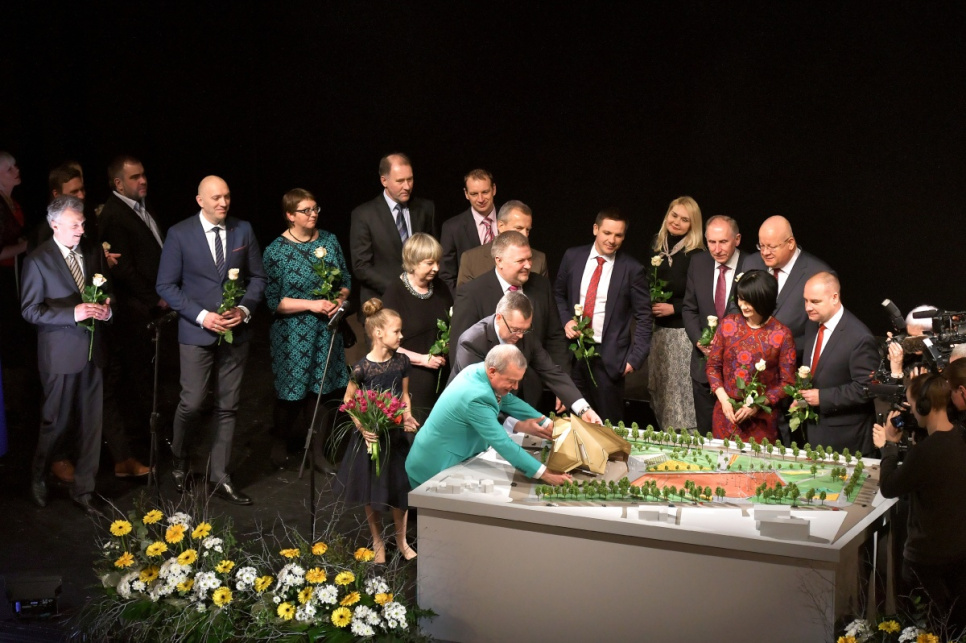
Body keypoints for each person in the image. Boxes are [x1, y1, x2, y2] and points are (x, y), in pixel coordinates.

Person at [156, 175, 267, 505]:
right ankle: (179, 457)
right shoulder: (179, 234)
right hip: (197, 331)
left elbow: (258, 277)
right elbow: (165, 286)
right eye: (216, 197)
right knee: (192, 403)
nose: (223, 203)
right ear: (200, 200)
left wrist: (244, 310)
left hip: (235, 332)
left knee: (228, 406)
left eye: (227, 197)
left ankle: (220, 476)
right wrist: (202, 316)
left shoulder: (243, 230)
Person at [21, 195, 112, 514]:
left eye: (83, 224)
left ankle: (84, 489)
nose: (81, 230)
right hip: (59, 355)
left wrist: (106, 311)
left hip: (92, 352)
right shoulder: (38, 260)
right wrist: (72, 313)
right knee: (55, 422)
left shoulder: (92, 252)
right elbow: (30, 310)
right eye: (75, 225)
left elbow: (107, 293)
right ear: (54, 224)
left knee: (92, 424)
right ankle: (39, 474)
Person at [262, 188, 351, 470]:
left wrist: (338, 300)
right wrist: (312, 305)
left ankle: (316, 451)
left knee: (321, 390)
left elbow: (345, 279)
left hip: (326, 329)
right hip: (292, 334)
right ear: (290, 216)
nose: (313, 214)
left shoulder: (329, 240)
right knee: (292, 392)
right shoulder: (275, 251)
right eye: (306, 210)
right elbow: (273, 301)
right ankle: (280, 439)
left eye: (315, 209)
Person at [406, 344, 573, 488]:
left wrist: (546, 422)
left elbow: (509, 400)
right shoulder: (475, 397)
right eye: (511, 381)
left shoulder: (480, 371)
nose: (515, 387)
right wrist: (544, 473)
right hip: (433, 467)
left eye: (518, 381)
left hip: (450, 457)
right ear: (493, 371)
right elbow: (502, 442)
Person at [874, 373, 966, 633]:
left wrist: (890, 446)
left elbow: (889, 487)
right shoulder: (960, 438)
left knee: (922, 629)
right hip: (958, 555)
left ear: (924, 406)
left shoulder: (925, 453)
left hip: (925, 560)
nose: (911, 411)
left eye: (912, 405)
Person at [334, 299, 418, 563]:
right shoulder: (362, 368)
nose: (401, 336)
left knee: (399, 489)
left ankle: (401, 540)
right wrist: (362, 427)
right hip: (371, 438)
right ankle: (377, 541)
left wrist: (407, 415)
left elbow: (404, 395)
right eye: (397, 331)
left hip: (395, 436)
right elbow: (348, 401)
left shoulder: (402, 362)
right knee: (373, 491)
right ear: (379, 333)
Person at [98, 155, 166, 478]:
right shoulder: (114, 215)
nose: (143, 180)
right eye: (135, 177)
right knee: (140, 378)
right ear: (118, 183)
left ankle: (157, 439)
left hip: (153, 306)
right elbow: (123, 268)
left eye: (143, 174)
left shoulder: (142, 206)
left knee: (152, 376)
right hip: (136, 311)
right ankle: (146, 443)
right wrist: (155, 297)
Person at [554, 208, 652, 423]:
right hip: (573, 355)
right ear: (595, 229)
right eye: (607, 233)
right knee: (575, 423)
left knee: (608, 425)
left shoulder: (632, 269)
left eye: (618, 235)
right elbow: (558, 295)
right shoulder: (572, 257)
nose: (612, 240)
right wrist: (566, 320)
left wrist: (635, 359)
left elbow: (645, 316)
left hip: (609, 360)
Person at [451, 230, 568, 408]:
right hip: (490, 396)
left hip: (534, 393)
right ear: (499, 260)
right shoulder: (472, 293)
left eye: (529, 259)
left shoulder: (541, 286)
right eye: (521, 261)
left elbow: (555, 337)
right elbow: (460, 351)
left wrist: (562, 387)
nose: (528, 265)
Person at [451, 291, 602, 428]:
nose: (520, 336)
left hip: (504, 411)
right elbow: (478, 397)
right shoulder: (472, 342)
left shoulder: (524, 336)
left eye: (525, 330)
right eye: (515, 330)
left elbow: (551, 371)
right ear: (499, 318)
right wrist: (517, 425)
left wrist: (583, 409)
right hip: (465, 420)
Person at [706, 269, 796, 442]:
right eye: (741, 299)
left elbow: (787, 383)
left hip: (760, 421)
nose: (743, 305)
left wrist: (757, 405)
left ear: (764, 300)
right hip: (726, 414)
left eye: (750, 301)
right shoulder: (728, 324)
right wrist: (724, 399)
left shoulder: (782, 335)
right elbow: (712, 366)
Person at [796, 272, 878, 454]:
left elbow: (867, 388)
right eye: (806, 300)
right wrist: (802, 398)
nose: (808, 307)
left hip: (847, 439)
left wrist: (822, 397)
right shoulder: (812, 324)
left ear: (834, 298)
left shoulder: (859, 337)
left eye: (815, 301)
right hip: (814, 433)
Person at [682, 215, 749, 435]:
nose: (717, 249)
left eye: (723, 242)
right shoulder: (698, 263)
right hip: (704, 366)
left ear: (737, 239)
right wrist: (699, 341)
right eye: (711, 242)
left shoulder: (752, 264)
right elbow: (689, 309)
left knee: (738, 436)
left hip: (740, 370)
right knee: (706, 434)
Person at [349, 153, 435, 318]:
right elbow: (361, 267)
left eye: (410, 179)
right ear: (384, 181)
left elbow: (433, 252)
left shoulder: (426, 208)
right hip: (382, 304)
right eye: (400, 181)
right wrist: (401, 288)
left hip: (422, 302)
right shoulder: (364, 215)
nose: (407, 186)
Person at [646, 197, 705, 431]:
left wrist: (674, 308)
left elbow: (702, 298)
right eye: (674, 215)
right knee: (661, 391)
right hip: (659, 332)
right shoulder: (657, 246)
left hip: (682, 334)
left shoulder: (696, 254)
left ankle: (689, 442)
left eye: (684, 219)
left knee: (682, 397)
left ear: (693, 224)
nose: (677, 222)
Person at [380, 233, 453, 424]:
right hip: (410, 376)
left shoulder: (441, 288)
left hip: (441, 374)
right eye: (430, 263)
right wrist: (422, 360)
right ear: (413, 262)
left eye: (437, 262)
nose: (436, 268)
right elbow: (386, 344)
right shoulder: (395, 293)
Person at [743, 215, 831, 355]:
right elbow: (736, 305)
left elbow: (821, 330)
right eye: (761, 246)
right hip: (748, 356)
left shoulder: (818, 274)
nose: (765, 252)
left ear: (790, 243)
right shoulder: (751, 263)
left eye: (771, 247)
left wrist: (781, 349)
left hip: (793, 359)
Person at [455, 200, 550, 288]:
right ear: (501, 226)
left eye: (528, 230)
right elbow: (464, 298)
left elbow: (543, 297)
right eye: (519, 228)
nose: (525, 235)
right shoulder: (471, 260)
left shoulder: (539, 260)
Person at [438, 168, 499, 291]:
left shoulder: (509, 219)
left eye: (485, 192)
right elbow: (446, 276)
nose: (480, 199)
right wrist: (461, 300)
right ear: (466, 194)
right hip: (471, 298)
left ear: (494, 189)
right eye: (474, 194)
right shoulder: (452, 228)